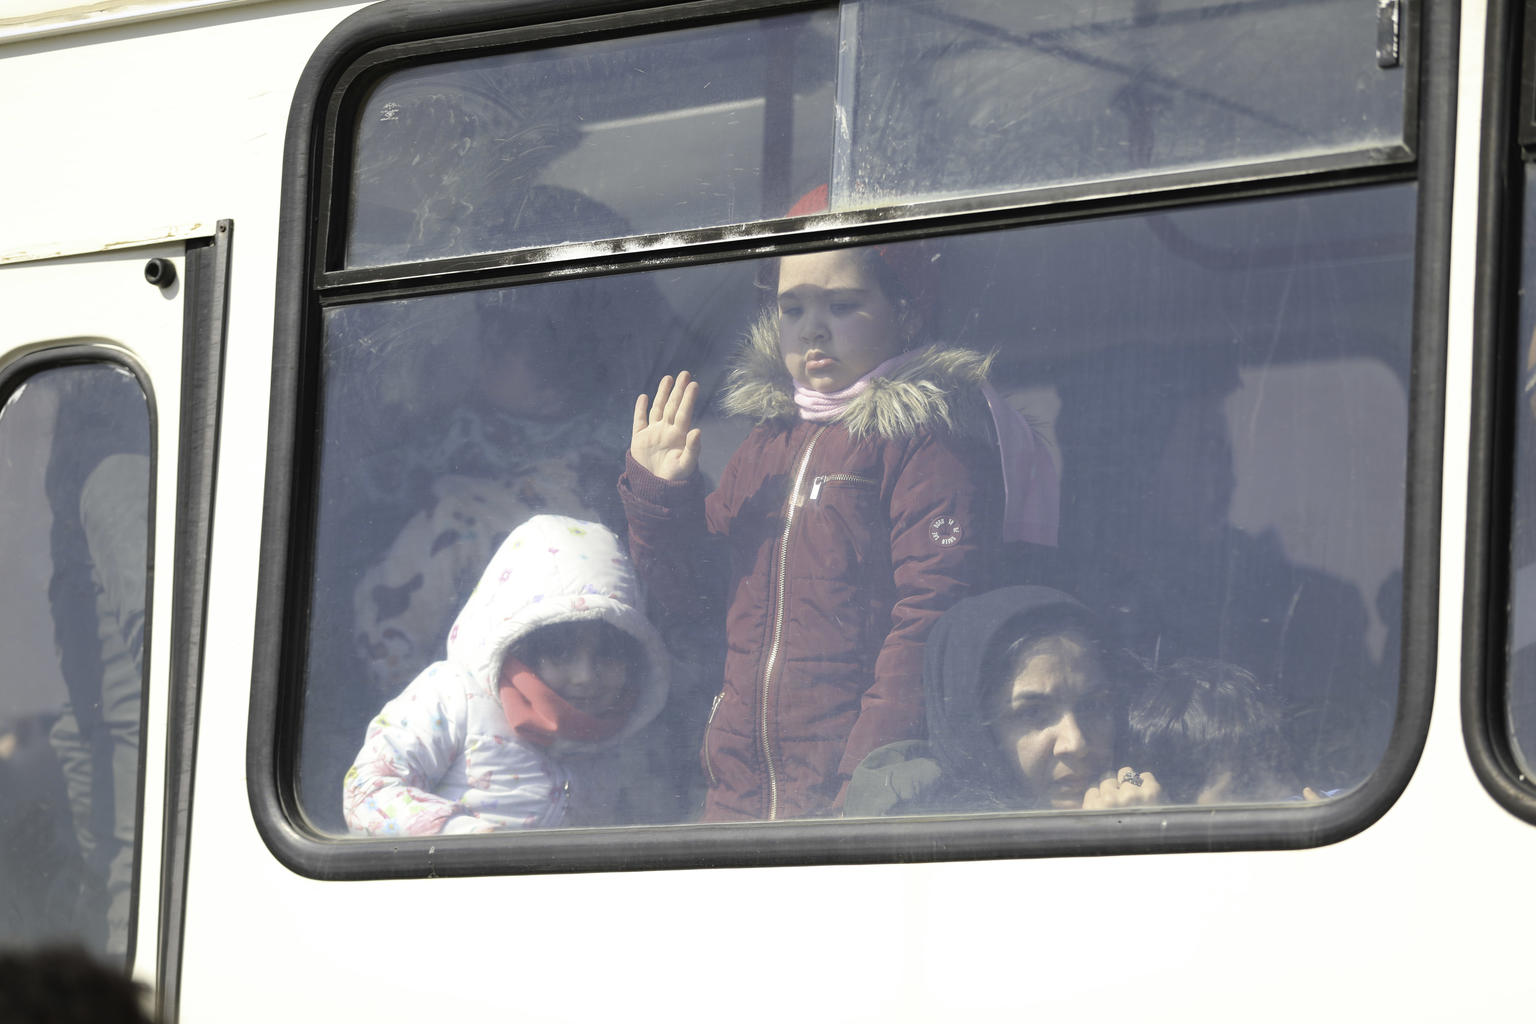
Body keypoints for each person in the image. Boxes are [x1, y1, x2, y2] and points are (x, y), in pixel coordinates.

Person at [622, 208, 1058, 820]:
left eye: (843, 305)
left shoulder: (925, 441)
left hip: (860, 794)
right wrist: (663, 499)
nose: (813, 331)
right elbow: (695, 598)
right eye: (793, 308)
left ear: (903, 314)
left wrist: (869, 780)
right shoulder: (767, 443)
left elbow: (929, 615)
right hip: (742, 794)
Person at [342, 515, 669, 834]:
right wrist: (459, 838)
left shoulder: (625, 733)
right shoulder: (452, 696)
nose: (584, 676)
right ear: (520, 647)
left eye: (607, 655)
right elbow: (368, 790)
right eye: (561, 652)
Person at [844, 586, 1160, 816]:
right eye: (1034, 712)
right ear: (974, 731)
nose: (1076, 743)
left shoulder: (1149, 803)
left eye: (1094, 706)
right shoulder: (918, 854)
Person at [1127, 657, 1322, 805]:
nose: (1283, 792)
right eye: (1247, 783)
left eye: (1280, 766)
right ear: (1171, 799)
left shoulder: (1332, 812)